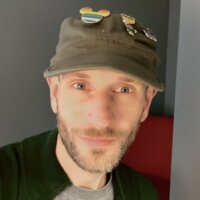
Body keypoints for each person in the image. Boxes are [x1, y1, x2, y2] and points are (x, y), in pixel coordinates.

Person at [0, 8, 164, 200]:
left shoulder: (143, 193)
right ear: (55, 93)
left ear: (145, 103)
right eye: (80, 86)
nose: (101, 119)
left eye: (124, 90)